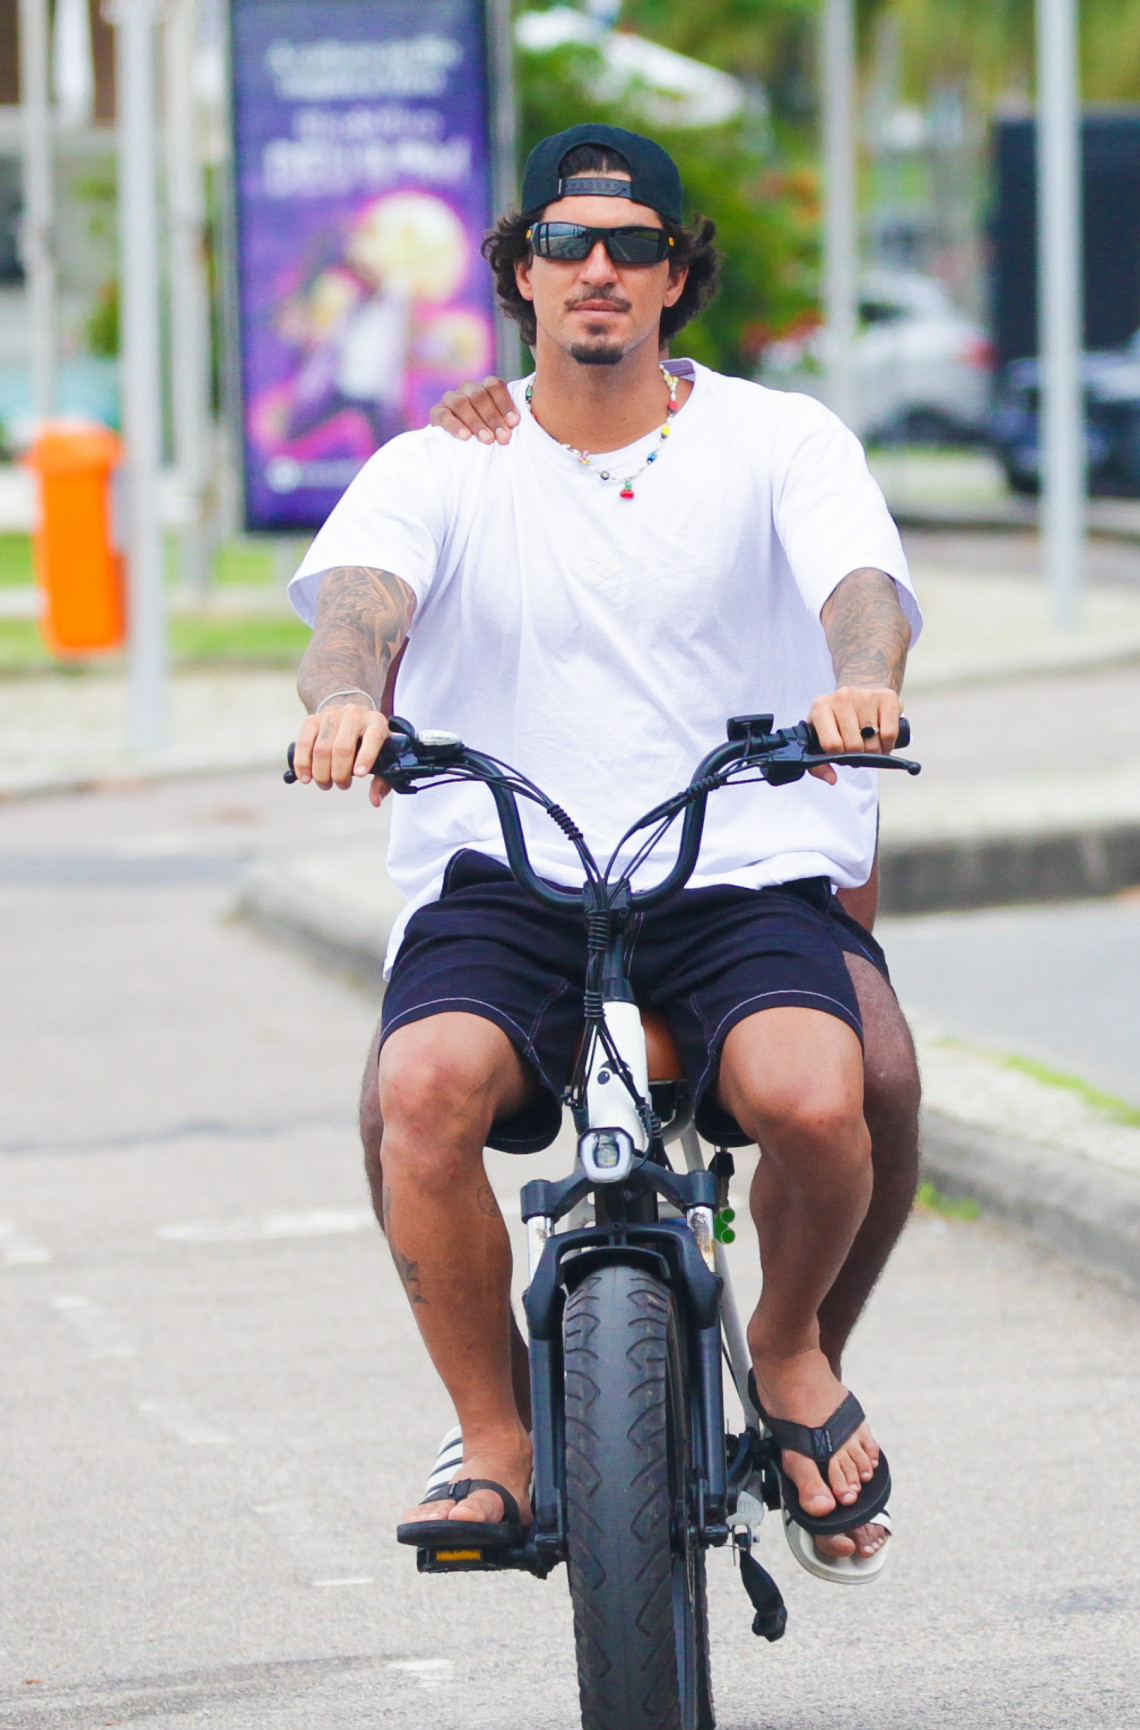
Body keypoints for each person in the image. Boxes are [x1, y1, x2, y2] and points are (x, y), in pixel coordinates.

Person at [289, 122, 922, 1578]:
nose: (598, 269)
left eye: (632, 246)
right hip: (510, 873)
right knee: (418, 1088)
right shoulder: (441, 458)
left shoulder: (780, 436)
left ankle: (787, 1350)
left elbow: (860, 580)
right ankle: (492, 1438)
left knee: (826, 1100)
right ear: (519, 272)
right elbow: (358, 608)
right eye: (566, 242)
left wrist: (865, 676)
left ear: (673, 278)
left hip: (734, 863)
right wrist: (339, 704)